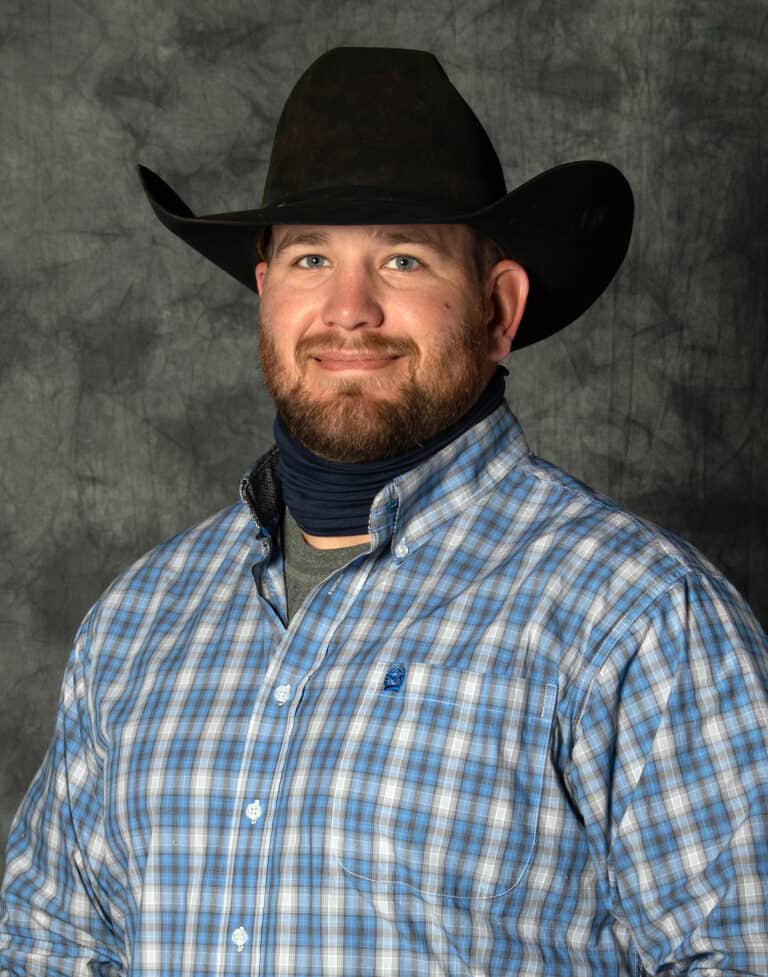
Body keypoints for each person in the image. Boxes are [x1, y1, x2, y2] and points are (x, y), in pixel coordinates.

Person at [1, 45, 766, 977]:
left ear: (497, 309)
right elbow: (44, 948)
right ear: (264, 293)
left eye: (402, 258)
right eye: (311, 257)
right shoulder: (137, 623)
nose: (348, 308)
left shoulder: (638, 617)